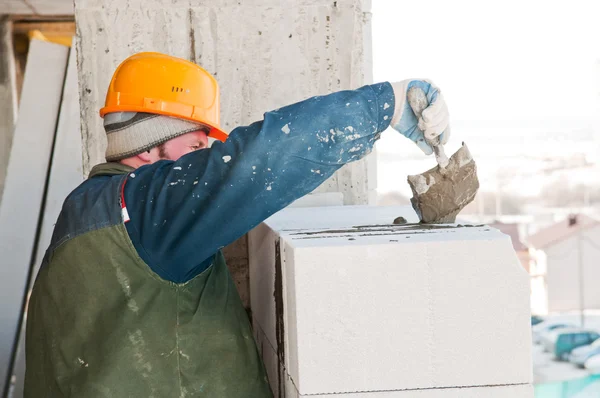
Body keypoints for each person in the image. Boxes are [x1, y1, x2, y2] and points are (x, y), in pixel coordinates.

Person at [24, 52, 450, 397]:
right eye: (195, 144)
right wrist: (384, 105)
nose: (202, 157)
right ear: (148, 142)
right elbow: (260, 159)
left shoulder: (89, 208)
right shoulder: (146, 210)